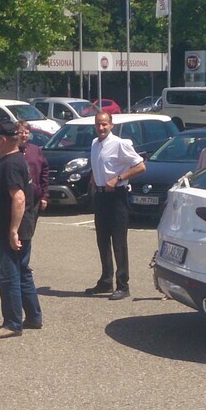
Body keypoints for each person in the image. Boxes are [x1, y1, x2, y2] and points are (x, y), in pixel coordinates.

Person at [0, 120, 42, 338]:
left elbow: (19, 197)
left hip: (9, 231)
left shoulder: (11, 163)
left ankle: (13, 323)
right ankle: (33, 317)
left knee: (8, 276)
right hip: (15, 228)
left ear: (2, 140)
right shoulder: (14, 160)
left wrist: (13, 231)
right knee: (22, 272)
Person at [85, 112, 145, 301]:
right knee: (102, 240)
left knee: (118, 243)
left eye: (104, 124)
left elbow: (140, 166)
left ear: (111, 125)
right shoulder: (95, 143)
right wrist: (95, 179)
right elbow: (97, 165)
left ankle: (123, 284)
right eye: (98, 124)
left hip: (117, 196)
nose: (101, 128)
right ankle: (105, 281)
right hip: (101, 196)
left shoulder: (120, 144)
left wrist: (118, 178)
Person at [17, 120, 49, 226]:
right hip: (17, 197)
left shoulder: (36, 150)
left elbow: (44, 172)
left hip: (34, 197)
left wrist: (44, 196)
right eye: (20, 132)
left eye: (26, 133)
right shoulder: (11, 151)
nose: (24, 135)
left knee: (29, 228)